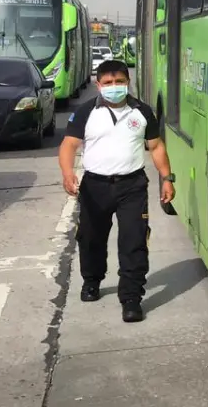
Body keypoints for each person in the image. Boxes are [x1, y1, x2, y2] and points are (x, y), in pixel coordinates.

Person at [58, 60, 175, 323]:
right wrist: (68, 173)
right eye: (108, 83)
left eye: (119, 82)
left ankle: (131, 298)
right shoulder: (86, 112)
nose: (114, 87)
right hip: (94, 187)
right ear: (98, 85)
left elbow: (156, 147)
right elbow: (68, 145)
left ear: (128, 82)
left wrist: (167, 178)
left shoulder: (142, 111)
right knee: (91, 238)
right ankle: (91, 280)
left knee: (134, 242)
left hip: (131, 186)